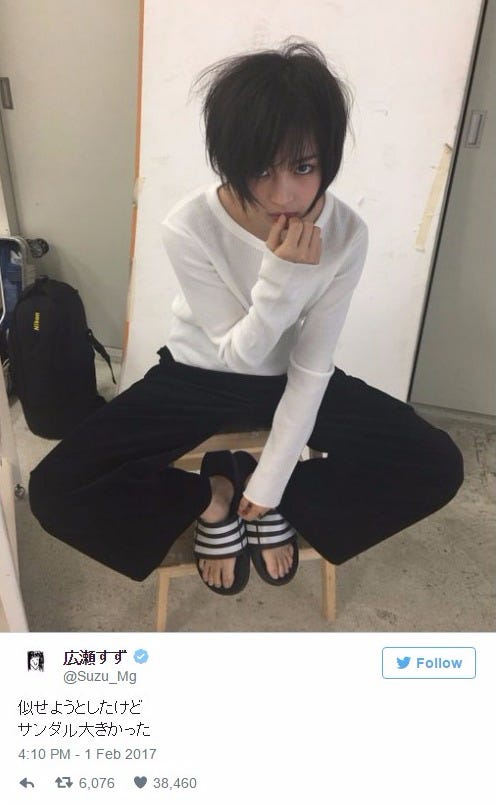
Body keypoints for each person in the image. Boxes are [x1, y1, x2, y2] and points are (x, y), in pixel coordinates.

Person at [29, 39, 463, 599]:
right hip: (197, 375)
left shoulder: (346, 233)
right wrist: (284, 274)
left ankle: (277, 503)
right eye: (260, 169)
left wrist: (274, 478)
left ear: (327, 157)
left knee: (436, 464)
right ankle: (213, 497)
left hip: (292, 378)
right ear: (230, 160)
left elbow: (312, 364)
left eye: (304, 166)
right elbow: (239, 354)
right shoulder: (189, 224)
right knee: (56, 492)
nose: (285, 193)